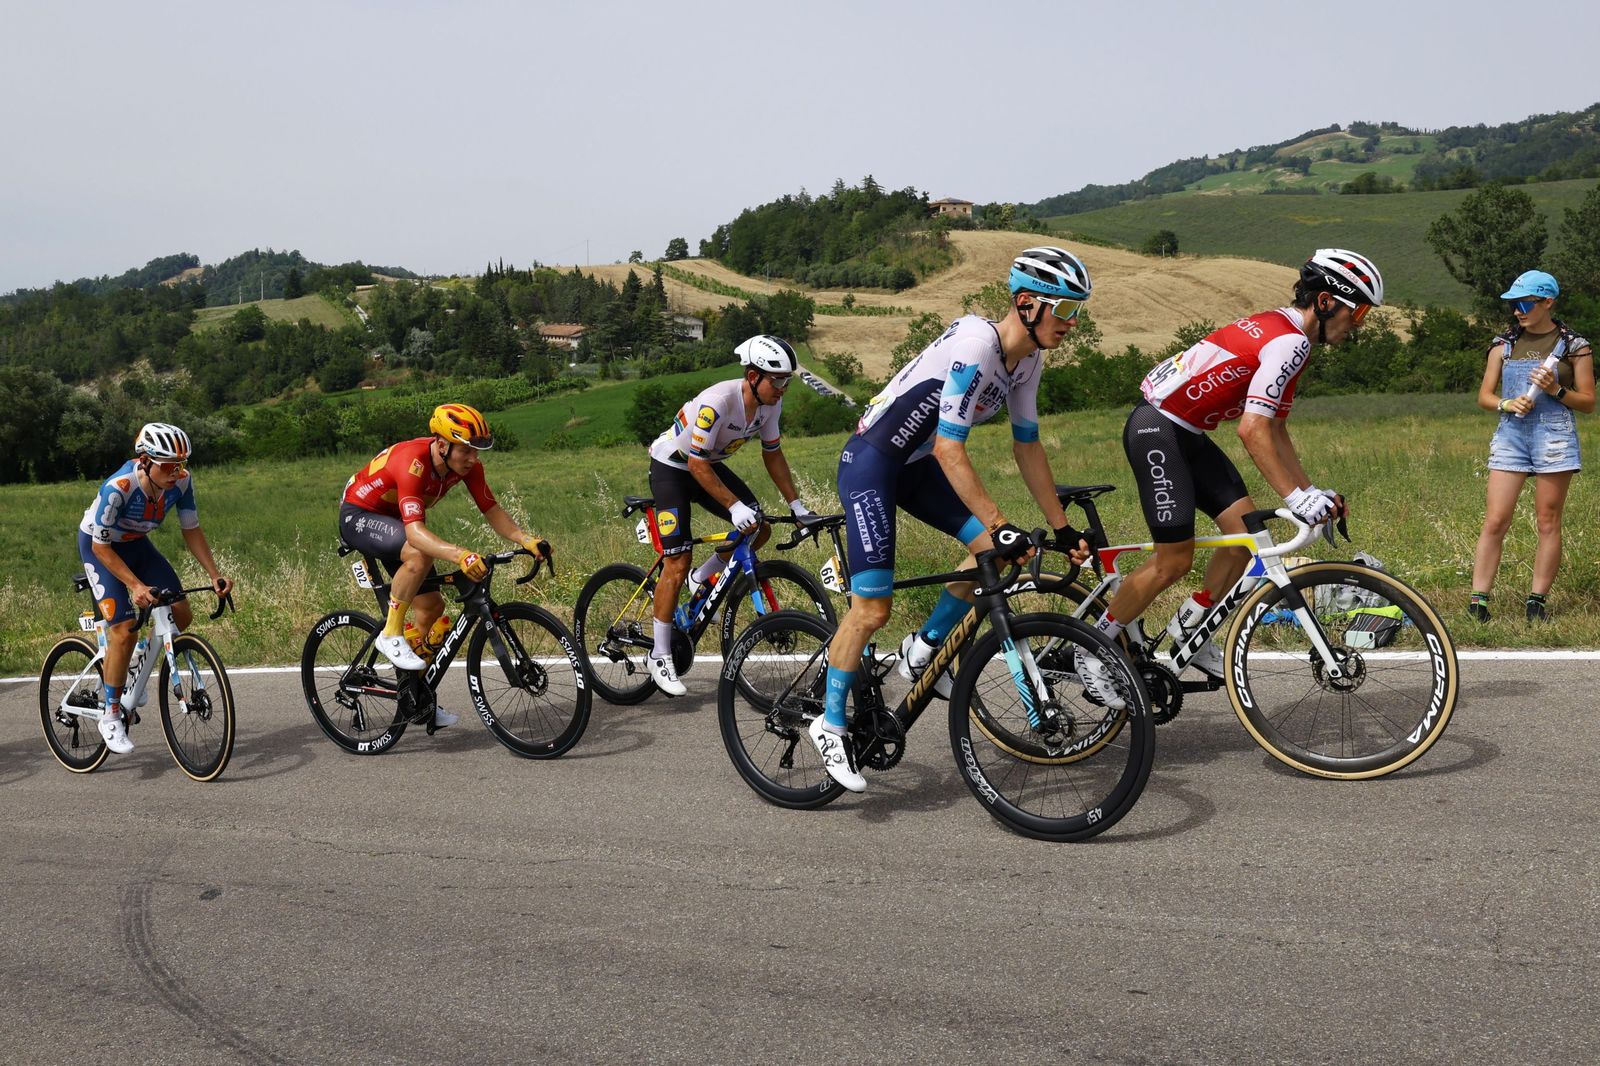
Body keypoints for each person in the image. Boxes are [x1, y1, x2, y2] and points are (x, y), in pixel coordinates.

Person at [809, 247, 1096, 793]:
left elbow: (1028, 447)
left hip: (916, 468)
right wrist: (1000, 517)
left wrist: (1060, 528)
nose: (1072, 324)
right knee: (871, 609)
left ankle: (922, 651)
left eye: (1077, 312)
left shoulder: (1028, 360)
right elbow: (949, 448)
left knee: (988, 546)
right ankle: (830, 722)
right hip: (873, 464)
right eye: (1066, 310)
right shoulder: (975, 348)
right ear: (1028, 304)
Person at [1095, 248, 1384, 676]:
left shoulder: (1287, 331)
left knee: (1245, 537)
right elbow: (1251, 430)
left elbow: (1277, 429)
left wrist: (1309, 492)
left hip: (1186, 433)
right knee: (1174, 560)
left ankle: (1190, 630)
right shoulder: (1291, 342)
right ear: (1325, 302)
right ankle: (1096, 647)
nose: (1357, 325)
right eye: (1357, 312)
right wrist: (1295, 497)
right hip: (1157, 430)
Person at [340, 403, 551, 728]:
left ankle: (415, 697)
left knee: (432, 607)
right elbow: (414, 533)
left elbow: (491, 509)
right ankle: (391, 633)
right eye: (466, 450)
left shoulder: (467, 467)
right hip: (360, 515)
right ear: (442, 444)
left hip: (394, 521)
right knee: (419, 553)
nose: (473, 458)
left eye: (477, 451)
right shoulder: (413, 462)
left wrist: (525, 539)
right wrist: (461, 555)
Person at [643, 335, 812, 696]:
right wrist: (734, 507)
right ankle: (659, 655)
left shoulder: (769, 406)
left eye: (787, 381)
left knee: (759, 528)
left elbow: (773, 456)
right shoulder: (717, 402)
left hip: (707, 467)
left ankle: (700, 578)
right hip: (673, 468)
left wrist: (797, 506)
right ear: (753, 376)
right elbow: (695, 463)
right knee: (676, 559)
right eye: (777, 380)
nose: (783, 388)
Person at [78, 423, 234, 755]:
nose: (177, 472)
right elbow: (101, 547)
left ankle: (134, 664)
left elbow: (191, 529)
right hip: (100, 548)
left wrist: (215, 574)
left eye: (181, 464)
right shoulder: (119, 487)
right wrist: (133, 584)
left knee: (181, 614)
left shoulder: (182, 482)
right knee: (123, 629)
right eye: (168, 465)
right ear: (146, 461)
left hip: (136, 546)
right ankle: (110, 714)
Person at [1468, 270, 1594, 623]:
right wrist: (1505, 404)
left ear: (1548, 302)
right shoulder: (1502, 344)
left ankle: (1536, 602)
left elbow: (1588, 402)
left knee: (1548, 521)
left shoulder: (1575, 346)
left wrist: (1556, 390)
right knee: (1495, 519)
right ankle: (1479, 601)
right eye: (1513, 304)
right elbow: (1484, 395)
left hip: (1554, 435)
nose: (1517, 311)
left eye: (1524, 303)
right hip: (1511, 434)